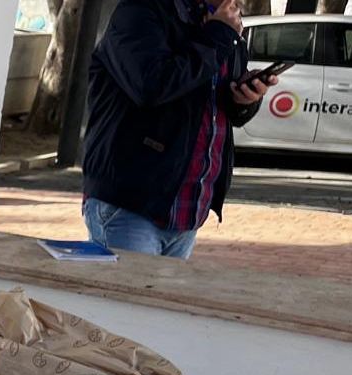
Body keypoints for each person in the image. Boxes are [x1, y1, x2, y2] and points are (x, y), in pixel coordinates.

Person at [81, 0, 278, 259]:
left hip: (187, 211)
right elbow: (153, 85)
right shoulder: (141, 11)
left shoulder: (224, 26)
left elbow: (212, 105)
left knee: (156, 301)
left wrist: (245, 99)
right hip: (130, 204)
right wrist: (218, 35)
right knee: (125, 299)